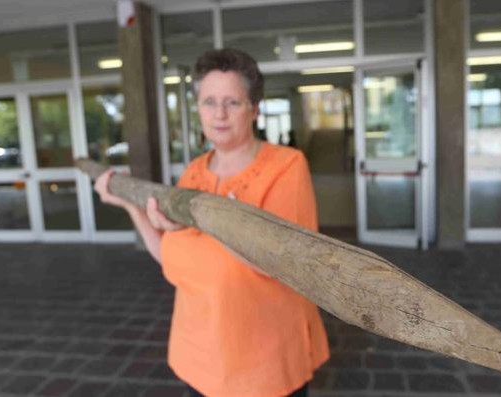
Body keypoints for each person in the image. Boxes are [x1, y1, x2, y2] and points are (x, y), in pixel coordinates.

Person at [93, 48, 329, 397]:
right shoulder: (193, 173)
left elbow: (284, 264)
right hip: (199, 358)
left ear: (255, 109)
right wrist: (132, 207)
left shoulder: (287, 166)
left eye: (233, 102)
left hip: (264, 364)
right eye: (209, 102)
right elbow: (169, 256)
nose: (219, 113)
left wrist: (220, 221)